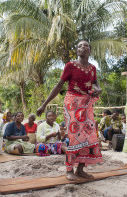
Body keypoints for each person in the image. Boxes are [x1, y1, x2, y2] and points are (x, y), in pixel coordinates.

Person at [36, 40, 103, 181]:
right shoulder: (70, 65)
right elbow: (59, 86)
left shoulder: (92, 68)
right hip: (72, 103)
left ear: (89, 50)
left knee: (88, 135)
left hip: (86, 104)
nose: (82, 47)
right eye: (79, 46)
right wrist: (44, 104)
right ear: (77, 51)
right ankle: (69, 169)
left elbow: (95, 82)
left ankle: (80, 169)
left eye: (85, 45)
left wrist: (97, 88)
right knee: (74, 135)